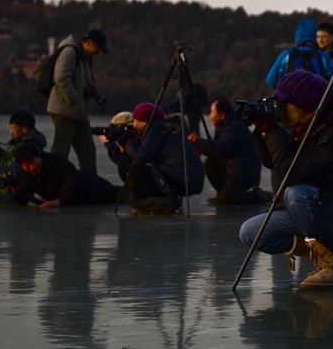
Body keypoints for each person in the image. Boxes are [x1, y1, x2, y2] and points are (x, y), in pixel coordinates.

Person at [238, 70, 333, 289]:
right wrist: (263, 129)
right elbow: (272, 163)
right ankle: (323, 249)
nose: (278, 107)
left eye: (283, 102)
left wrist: (271, 129)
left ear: (304, 106)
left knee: (295, 194)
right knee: (251, 233)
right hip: (323, 208)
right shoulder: (305, 126)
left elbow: (292, 173)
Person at [101, 102, 204, 214]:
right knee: (126, 168)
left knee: (133, 168)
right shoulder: (162, 128)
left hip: (182, 179)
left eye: (135, 121)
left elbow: (139, 158)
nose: (134, 125)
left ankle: (163, 203)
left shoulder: (156, 130)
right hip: (184, 178)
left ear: (145, 122)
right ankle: (156, 202)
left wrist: (119, 143)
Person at [46, 29, 109, 175]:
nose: (98, 52)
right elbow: (61, 79)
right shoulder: (70, 52)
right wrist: (75, 101)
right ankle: (53, 185)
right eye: (98, 48)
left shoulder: (85, 57)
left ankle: (91, 187)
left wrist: (88, 95)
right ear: (89, 42)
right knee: (60, 152)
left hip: (79, 113)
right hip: (65, 111)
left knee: (88, 152)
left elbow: (82, 82)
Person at [188, 97, 269, 205]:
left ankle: (258, 195)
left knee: (229, 199)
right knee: (210, 163)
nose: (210, 116)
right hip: (232, 168)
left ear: (222, 115)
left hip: (244, 172)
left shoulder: (234, 127)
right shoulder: (223, 125)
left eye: (212, 112)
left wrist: (198, 141)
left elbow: (221, 149)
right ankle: (222, 192)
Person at [12, 142, 119, 209]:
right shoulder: (25, 173)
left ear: (39, 157)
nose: (31, 168)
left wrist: (58, 201)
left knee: (119, 195)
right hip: (76, 201)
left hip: (91, 188)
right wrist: (15, 190)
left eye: (32, 162)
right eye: (26, 165)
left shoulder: (55, 162)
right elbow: (25, 198)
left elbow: (72, 180)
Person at [265, 19, 333, 89]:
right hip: (318, 101)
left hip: (291, 101)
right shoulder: (322, 56)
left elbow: (271, 81)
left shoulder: (287, 55)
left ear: (297, 35)